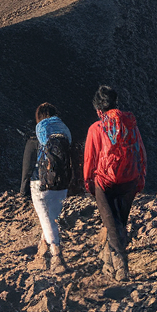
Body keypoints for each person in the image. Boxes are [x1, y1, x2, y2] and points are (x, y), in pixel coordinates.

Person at [84, 85, 147, 280]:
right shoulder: (131, 124)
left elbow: (89, 159)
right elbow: (141, 151)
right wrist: (140, 177)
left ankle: (121, 268)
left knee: (111, 225)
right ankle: (108, 264)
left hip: (104, 181)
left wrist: (88, 183)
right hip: (130, 179)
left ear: (98, 109)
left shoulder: (96, 128)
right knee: (119, 222)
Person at [20, 102, 74, 272]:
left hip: (40, 184)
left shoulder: (34, 140)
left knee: (46, 219)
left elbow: (27, 169)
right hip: (62, 184)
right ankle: (42, 254)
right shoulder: (64, 136)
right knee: (51, 218)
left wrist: (23, 191)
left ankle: (56, 255)